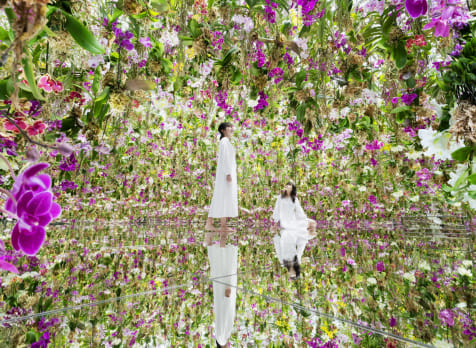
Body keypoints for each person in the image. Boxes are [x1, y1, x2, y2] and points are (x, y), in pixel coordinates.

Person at [272, 181, 316, 280]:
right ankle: (306, 227)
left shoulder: (283, 262)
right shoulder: (280, 198)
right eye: (286, 185)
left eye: (291, 273)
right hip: (285, 222)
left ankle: (307, 226)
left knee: (310, 224)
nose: (291, 271)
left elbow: (300, 211)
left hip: (291, 228)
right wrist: (275, 222)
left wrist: (304, 220)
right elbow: (276, 209)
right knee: (304, 227)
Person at [205, 122, 238, 234]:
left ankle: (223, 225)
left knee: (224, 198)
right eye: (229, 127)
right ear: (223, 130)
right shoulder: (224, 142)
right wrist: (228, 173)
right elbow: (225, 158)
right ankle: (209, 223)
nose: (231, 129)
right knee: (220, 197)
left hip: (226, 174)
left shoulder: (226, 142)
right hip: (225, 175)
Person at [208, 244, 238, 348]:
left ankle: (224, 239)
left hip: (226, 295)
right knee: (223, 267)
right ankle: (221, 241)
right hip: (226, 296)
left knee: (226, 267)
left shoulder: (221, 339)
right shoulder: (221, 338)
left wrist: (227, 297)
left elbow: (224, 318)